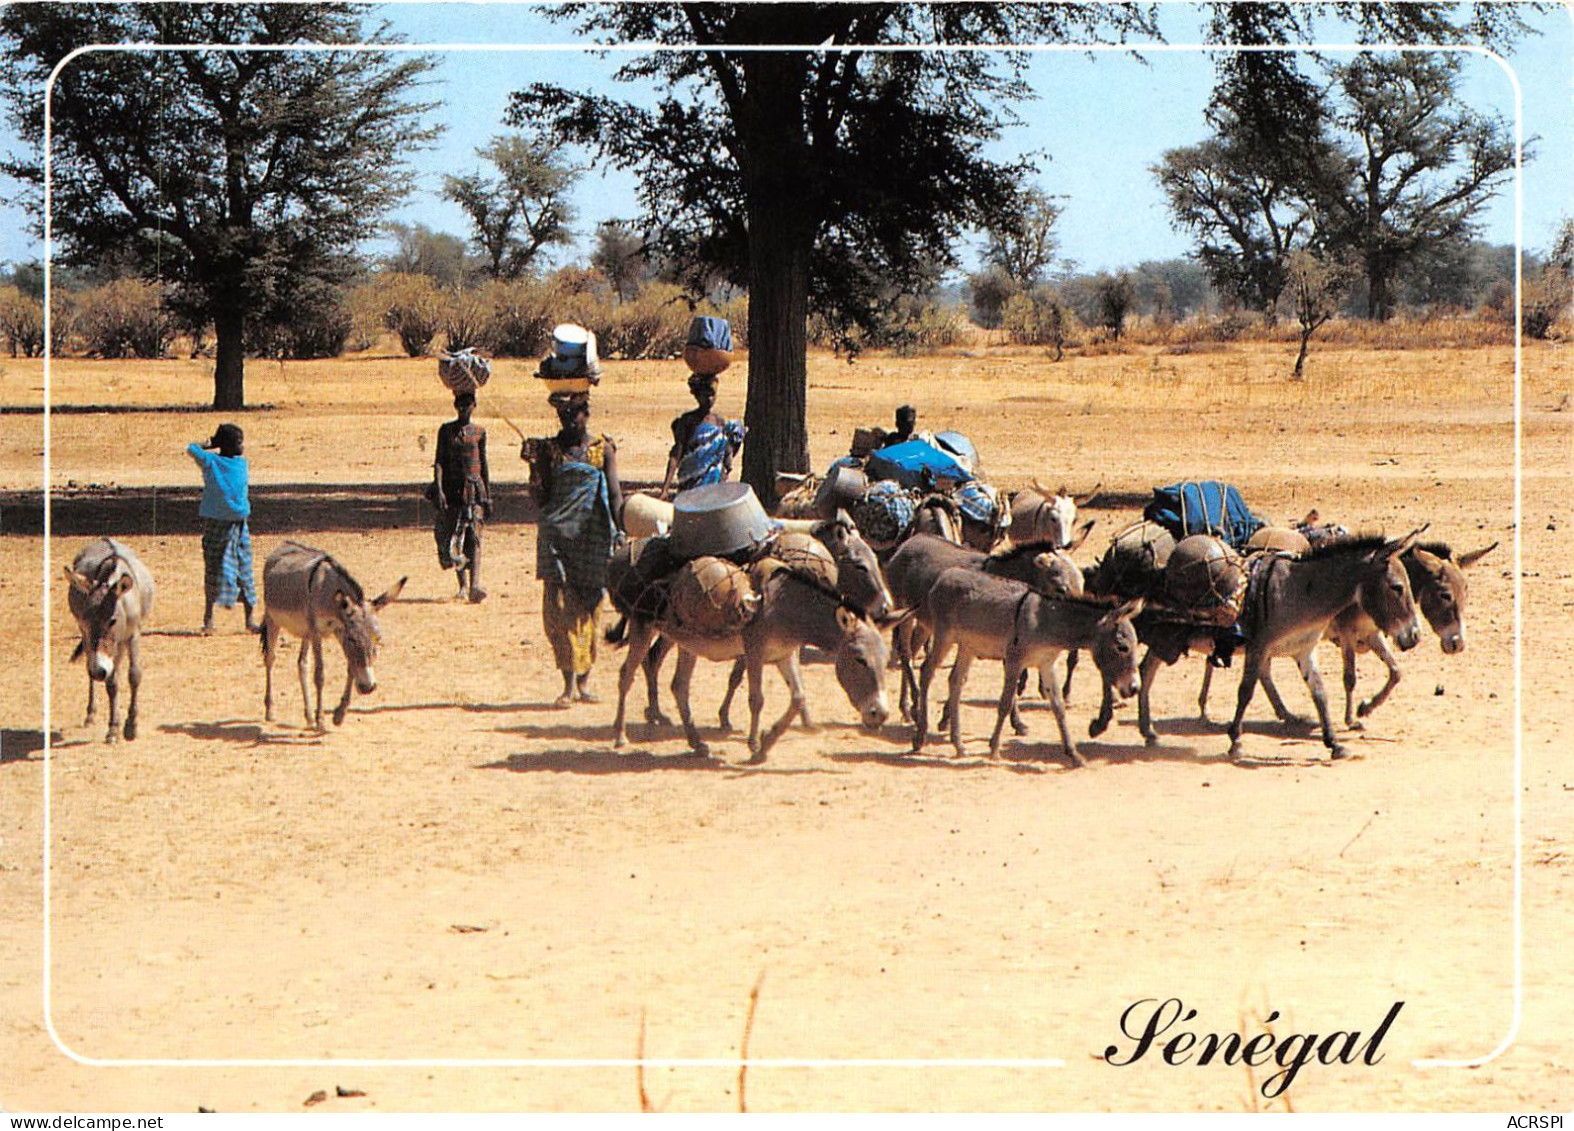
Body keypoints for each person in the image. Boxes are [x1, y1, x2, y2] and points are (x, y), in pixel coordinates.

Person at [526, 391, 624, 707]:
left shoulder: (602, 450)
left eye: (575, 413)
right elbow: (541, 498)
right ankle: (568, 684)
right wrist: (533, 466)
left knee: (590, 611)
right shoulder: (549, 451)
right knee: (559, 612)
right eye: (564, 415)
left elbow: (614, 494)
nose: (569, 420)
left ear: (587, 413)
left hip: (593, 537)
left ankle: (584, 681)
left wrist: (621, 530)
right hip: (556, 538)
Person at [186, 422, 257, 634]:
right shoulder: (215, 462)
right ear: (227, 445)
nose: (242, 446)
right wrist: (213, 443)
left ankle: (250, 619)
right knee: (217, 569)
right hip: (219, 523)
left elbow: (192, 448)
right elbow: (190, 448)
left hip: (238, 525)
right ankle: (209, 619)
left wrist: (208, 445)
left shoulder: (216, 462)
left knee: (244, 571)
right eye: (238, 442)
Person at [431, 390, 492, 603]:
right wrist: (438, 489)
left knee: (474, 536)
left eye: (467, 404)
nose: (464, 408)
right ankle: (463, 586)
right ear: (455, 406)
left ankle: (475, 584)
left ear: (474, 406)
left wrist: (488, 496)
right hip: (452, 489)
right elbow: (439, 461)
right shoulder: (446, 431)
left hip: (475, 490)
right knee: (455, 537)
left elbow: (483, 463)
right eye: (460, 404)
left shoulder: (479, 432)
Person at [659, 372, 747, 499]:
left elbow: (725, 455)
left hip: (713, 486)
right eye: (705, 395)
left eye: (712, 395)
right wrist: (665, 489)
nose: (709, 399)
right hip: (690, 484)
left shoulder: (719, 422)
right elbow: (676, 455)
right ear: (697, 396)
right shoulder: (688, 421)